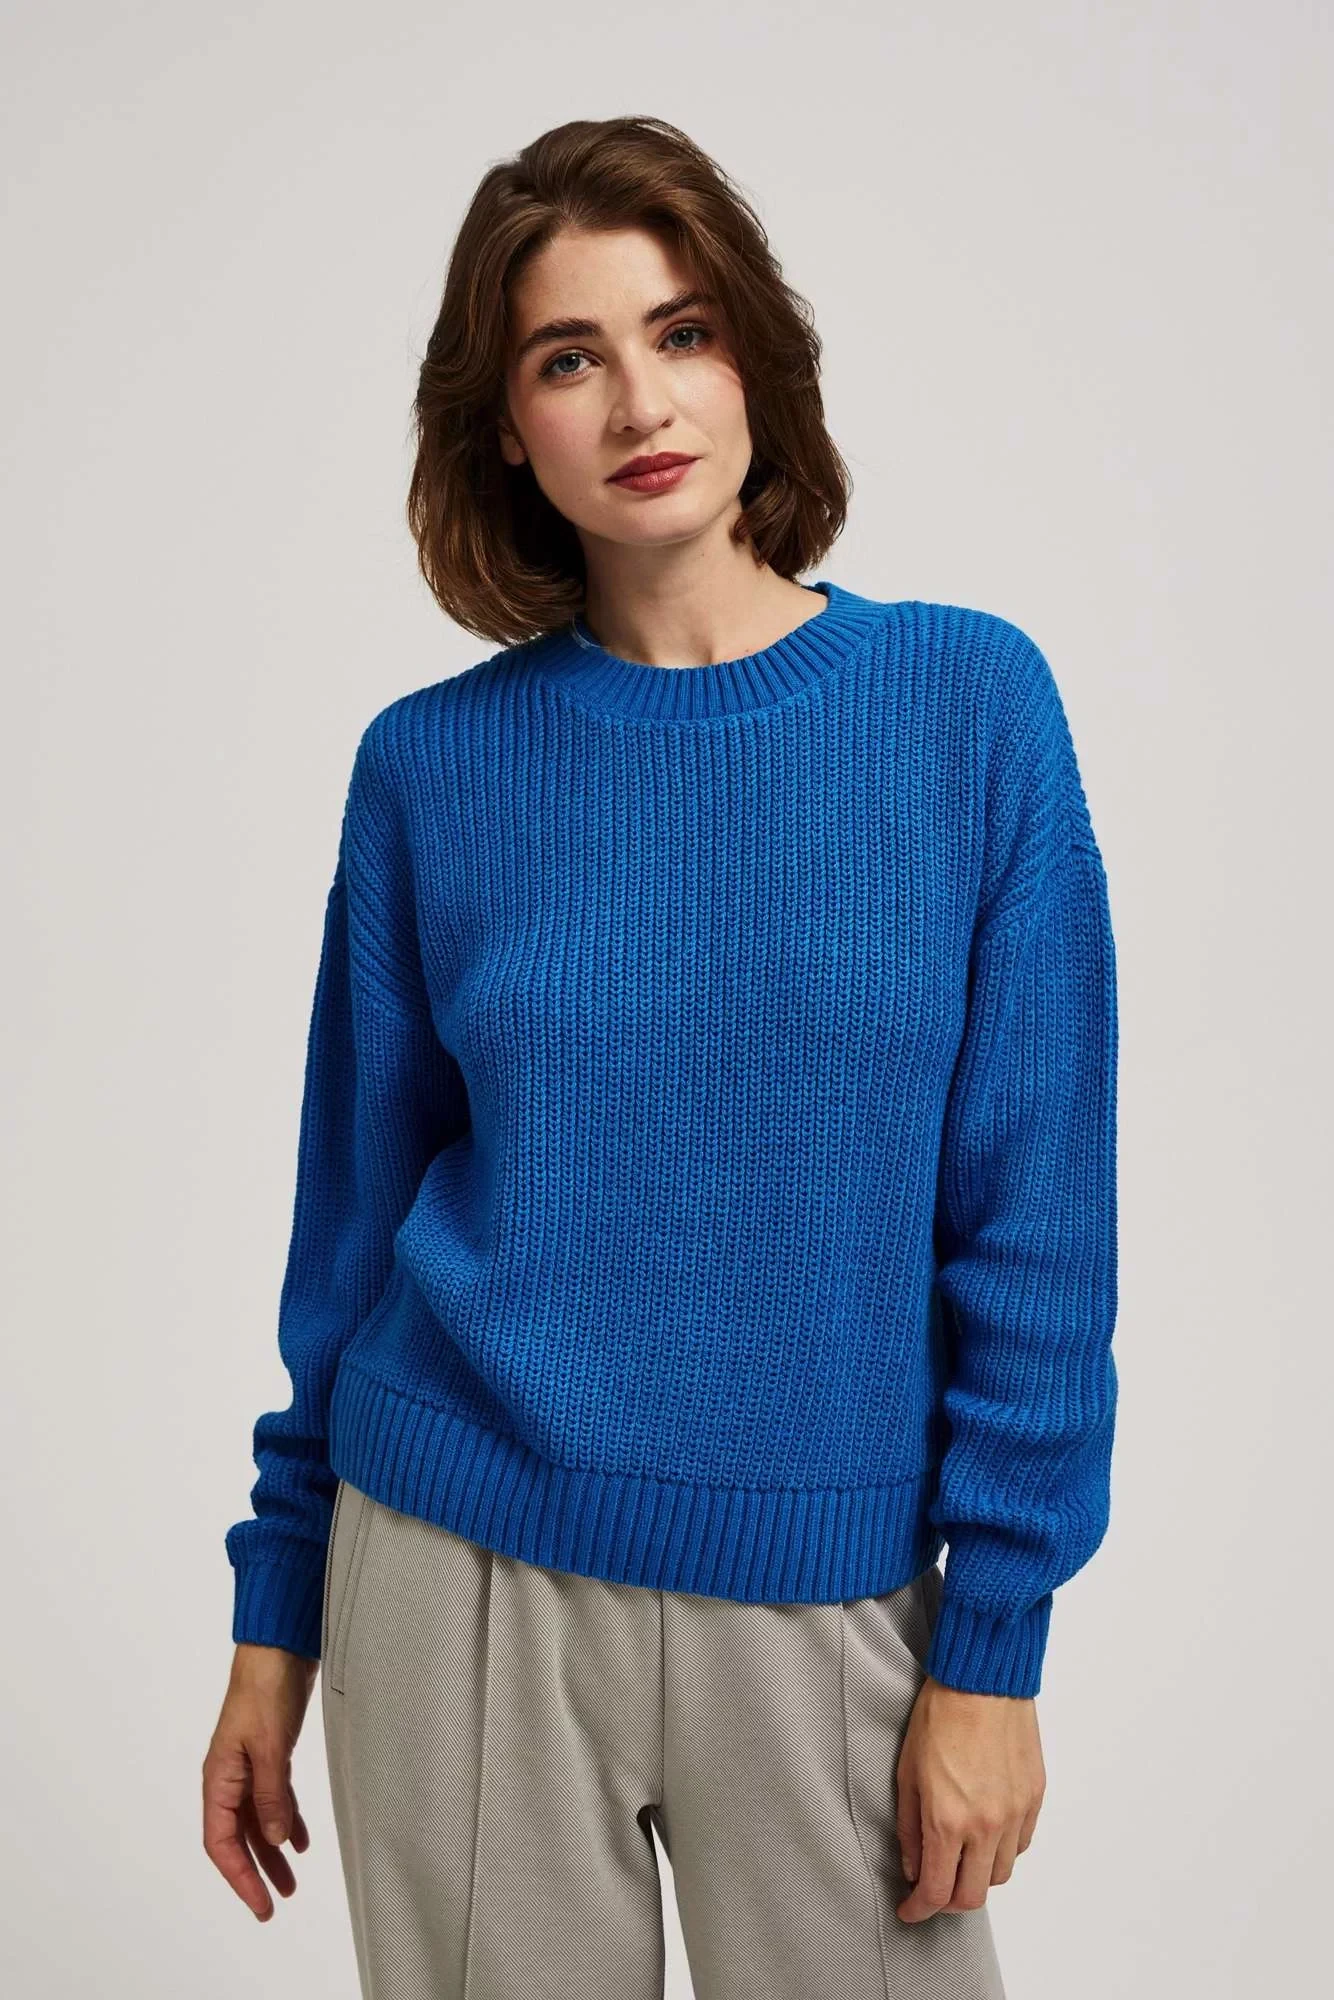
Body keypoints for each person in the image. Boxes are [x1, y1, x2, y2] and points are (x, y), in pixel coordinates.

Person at [203, 115, 1119, 2000]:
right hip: (454, 1567)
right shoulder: (430, 769)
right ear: (504, 428)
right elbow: (349, 1224)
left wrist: (995, 1646)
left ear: (753, 356)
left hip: (828, 1591)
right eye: (569, 358)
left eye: (681, 332)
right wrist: (274, 1614)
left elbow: (1037, 1219)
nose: (640, 401)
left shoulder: (967, 708)